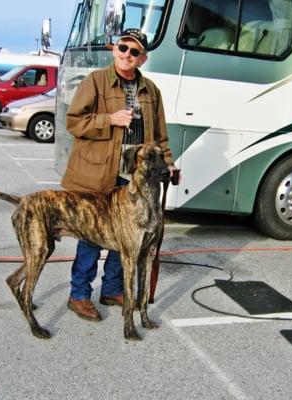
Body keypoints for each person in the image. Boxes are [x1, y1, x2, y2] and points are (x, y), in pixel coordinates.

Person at [61, 29, 178, 321]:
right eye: (123, 48)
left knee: (127, 236)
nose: (127, 54)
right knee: (91, 236)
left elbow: (160, 137)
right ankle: (79, 295)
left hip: (135, 178)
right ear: (115, 49)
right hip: (97, 173)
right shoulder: (96, 81)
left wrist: (169, 164)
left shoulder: (151, 90)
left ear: (143, 59)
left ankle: (112, 288)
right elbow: (74, 122)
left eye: (134, 51)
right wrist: (109, 120)